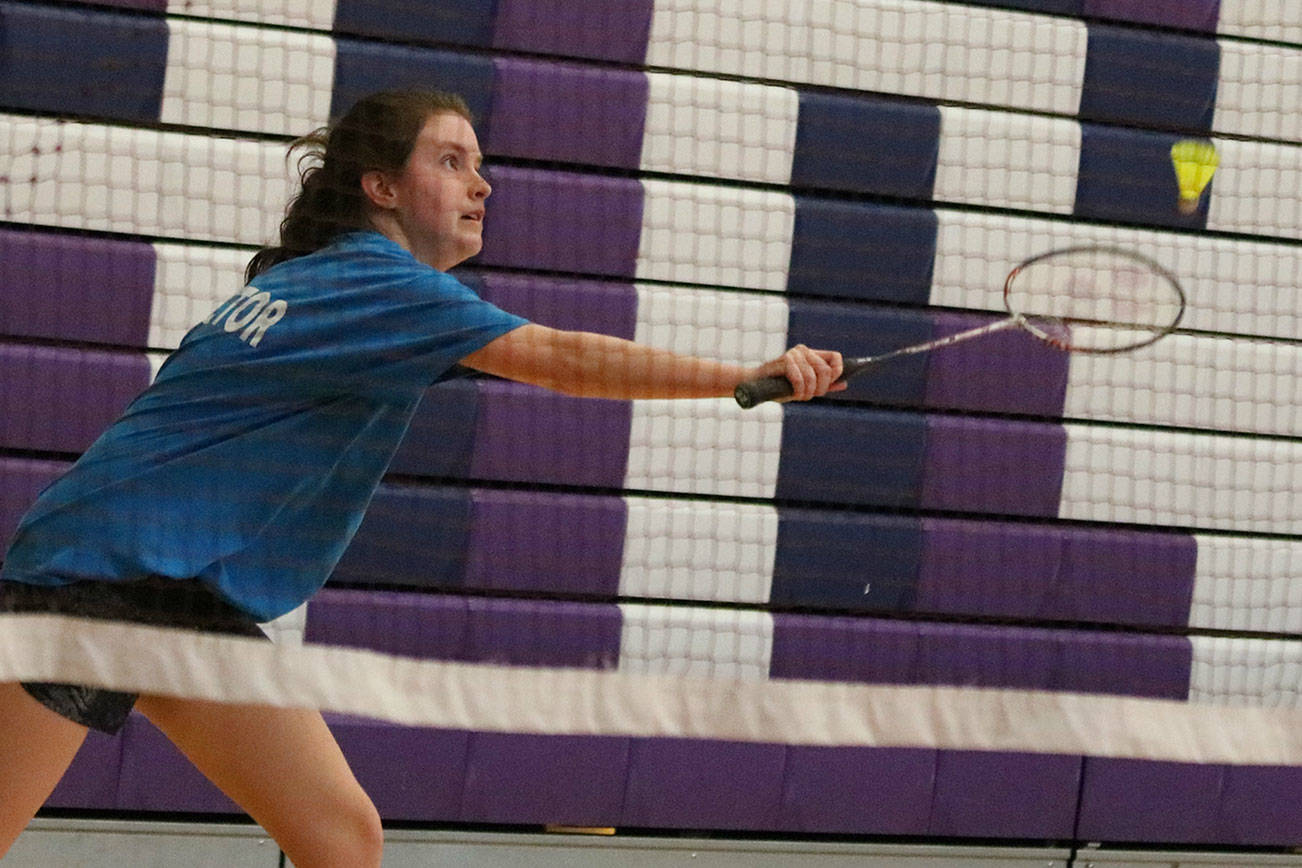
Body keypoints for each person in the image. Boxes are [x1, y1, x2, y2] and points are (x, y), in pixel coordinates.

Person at [0, 89, 843, 866]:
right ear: (382, 188)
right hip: (89, 580)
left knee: (340, 836)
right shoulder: (379, 280)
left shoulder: (323, 279)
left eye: (478, 163)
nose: (481, 184)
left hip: (178, 594)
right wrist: (741, 377)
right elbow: (559, 357)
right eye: (450, 160)